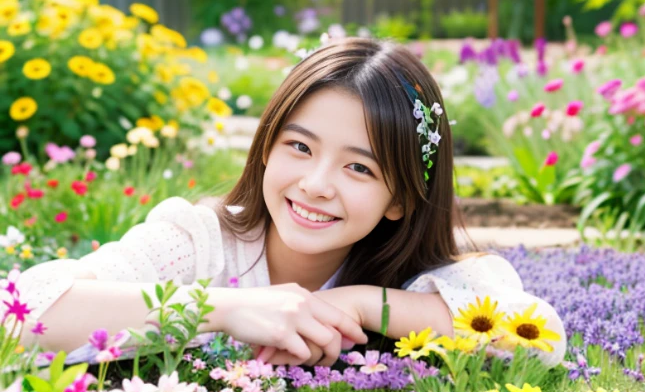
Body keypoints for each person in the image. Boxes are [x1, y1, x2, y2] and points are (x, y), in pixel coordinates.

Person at [15, 37, 566, 368]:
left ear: (399, 198)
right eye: (299, 147)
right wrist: (226, 310)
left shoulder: (419, 282)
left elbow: (540, 341)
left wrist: (359, 303)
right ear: (264, 150)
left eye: (359, 167)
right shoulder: (199, 244)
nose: (316, 183)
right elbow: (15, 314)